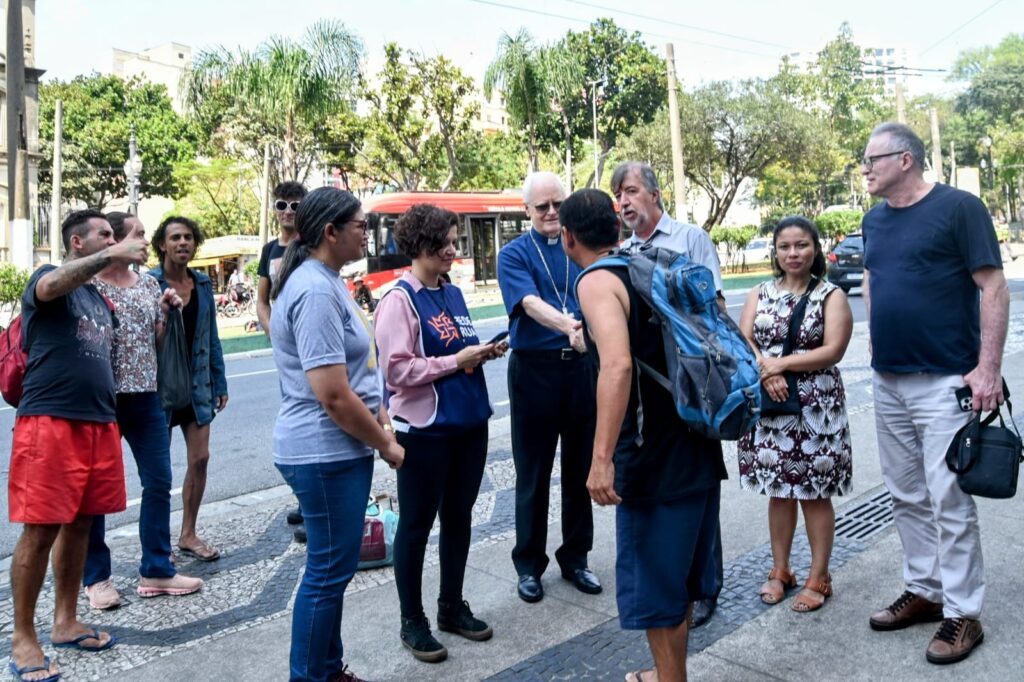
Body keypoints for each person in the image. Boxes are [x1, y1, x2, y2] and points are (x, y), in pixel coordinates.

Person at [860, 122, 1009, 665]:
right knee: (904, 492)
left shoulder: (959, 208)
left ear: (905, 159)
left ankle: (963, 613)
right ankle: (925, 589)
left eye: (871, 159)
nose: (865, 169)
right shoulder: (873, 219)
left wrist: (986, 369)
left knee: (949, 497)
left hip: (946, 379)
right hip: (889, 379)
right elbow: (874, 279)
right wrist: (878, 334)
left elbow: (992, 285)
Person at [564, 189, 725, 682]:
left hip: (652, 454)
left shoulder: (596, 281)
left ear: (568, 238)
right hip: (695, 436)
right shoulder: (646, 263)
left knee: (657, 589)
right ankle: (666, 676)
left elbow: (615, 366)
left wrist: (601, 458)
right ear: (616, 228)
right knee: (678, 580)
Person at [270, 186, 404, 682]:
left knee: (335, 569)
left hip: (335, 449)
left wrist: (380, 416)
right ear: (330, 232)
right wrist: (385, 443)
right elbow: (332, 394)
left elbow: (354, 378)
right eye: (360, 226)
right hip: (321, 451)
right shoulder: (313, 290)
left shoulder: (323, 282)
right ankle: (310, 675)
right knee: (326, 574)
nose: (366, 234)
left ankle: (327, 668)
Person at [7, 209, 148, 681]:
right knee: (41, 529)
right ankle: (24, 638)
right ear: (77, 243)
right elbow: (50, 288)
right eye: (104, 235)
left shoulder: (98, 300)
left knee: (82, 526)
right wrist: (115, 252)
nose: (115, 239)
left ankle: (65, 621)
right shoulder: (49, 280)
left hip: (98, 424)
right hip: (50, 422)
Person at [375, 204, 504, 663]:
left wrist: (481, 353)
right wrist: (458, 361)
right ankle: (413, 621)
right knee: (415, 526)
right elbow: (396, 370)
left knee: (460, 518)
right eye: (445, 242)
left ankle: (451, 606)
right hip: (425, 432)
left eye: (455, 241)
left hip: (468, 423)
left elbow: (456, 350)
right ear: (420, 245)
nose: (453, 249)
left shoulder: (451, 292)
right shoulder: (398, 299)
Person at [611, 161, 725, 628]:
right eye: (619, 195)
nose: (624, 202)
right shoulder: (623, 254)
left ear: (655, 195)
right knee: (673, 495)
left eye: (632, 191)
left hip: (695, 383)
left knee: (701, 492)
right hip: (654, 396)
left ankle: (706, 588)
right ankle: (675, 591)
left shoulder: (690, 239)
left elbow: (712, 306)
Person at [81, 212, 204, 612]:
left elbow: (157, 341)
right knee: (97, 490)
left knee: (158, 481)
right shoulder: (88, 285)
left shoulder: (150, 284)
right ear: (115, 240)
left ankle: (155, 568)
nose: (145, 241)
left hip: (147, 397)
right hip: (103, 400)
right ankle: (96, 577)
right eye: (138, 234)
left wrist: (167, 313)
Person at [736, 216, 853, 612]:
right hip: (769, 404)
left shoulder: (831, 295)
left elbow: (833, 350)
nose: (793, 253)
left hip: (815, 409)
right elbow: (744, 339)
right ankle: (781, 569)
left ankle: (819, 575)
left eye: (801, 245)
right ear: (776, 251)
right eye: (785, 246)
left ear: (815, 249)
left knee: (814, 493)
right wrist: (767, 372)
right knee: (779, 491)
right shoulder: (759, 291)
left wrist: (780, 365)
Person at [497, 171, 599, 604]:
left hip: (578, 371)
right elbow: (530, 304)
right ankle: (529, 565)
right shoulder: (513, 254)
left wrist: (584, 335)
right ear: (527, 211)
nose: (552, 213)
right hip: (534, 373)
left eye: (558, 203)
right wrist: (571, 327)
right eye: (542, 207)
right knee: (533, 474)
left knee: (580, 471)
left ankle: (576, 558)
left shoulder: (578, 246)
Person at [149, 216, 229, 562]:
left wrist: (220, 380)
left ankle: (188, 533)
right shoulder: (148, 284)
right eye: (175, 238)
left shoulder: (202, 284)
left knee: (200, 459)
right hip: (159, 388)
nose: (183, 243)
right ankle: (157, 544)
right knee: (159, 471)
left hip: (197, 385)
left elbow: (211, 336)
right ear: (162, 245)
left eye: (188, 238)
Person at [257, 181, 308, 542]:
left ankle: (312, 504)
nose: (288, 211)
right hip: (287, 347)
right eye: (281, 204)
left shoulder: (310, 247)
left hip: (311, 341)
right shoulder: (269, 250)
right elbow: (262, 299)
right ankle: (304, 498)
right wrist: (273, 330)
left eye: (295, 205)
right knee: (296, 414)